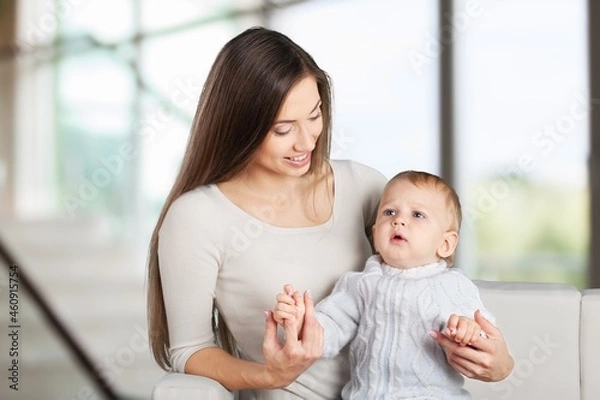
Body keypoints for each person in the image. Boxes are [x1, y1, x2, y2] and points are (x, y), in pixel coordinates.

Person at [146, 26, 514, 399]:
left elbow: (429, 282)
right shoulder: (198, 217)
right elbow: (188, 350)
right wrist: (270, 376)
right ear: (241, 126)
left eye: (315, 115)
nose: (307, 142)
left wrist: (498, 362)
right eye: (283, 129)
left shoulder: (366, 186)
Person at [274, 170, 494, 399]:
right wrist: (301, 321)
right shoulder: (359, 284)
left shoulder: (451, 285)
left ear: (445, 244)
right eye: (389, 212)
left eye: (417, 215)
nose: (398, 220)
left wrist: (470, 331)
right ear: (376, 235)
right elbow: (330, 327)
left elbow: (483, 334)